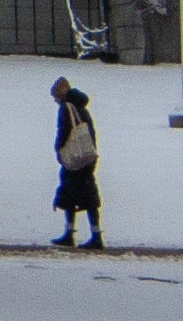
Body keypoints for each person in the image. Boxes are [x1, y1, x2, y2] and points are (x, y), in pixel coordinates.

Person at [49, 76, 103, 250]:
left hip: (74, 159)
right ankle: (95, 234)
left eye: (55, 97)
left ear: (61, 94)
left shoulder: (66, 108)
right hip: (87, 157)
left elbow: (63, 132)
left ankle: (70, 234)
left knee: (69, 194)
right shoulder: (81, 107)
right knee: (88, 196)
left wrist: (59, 151)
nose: (55, 101)